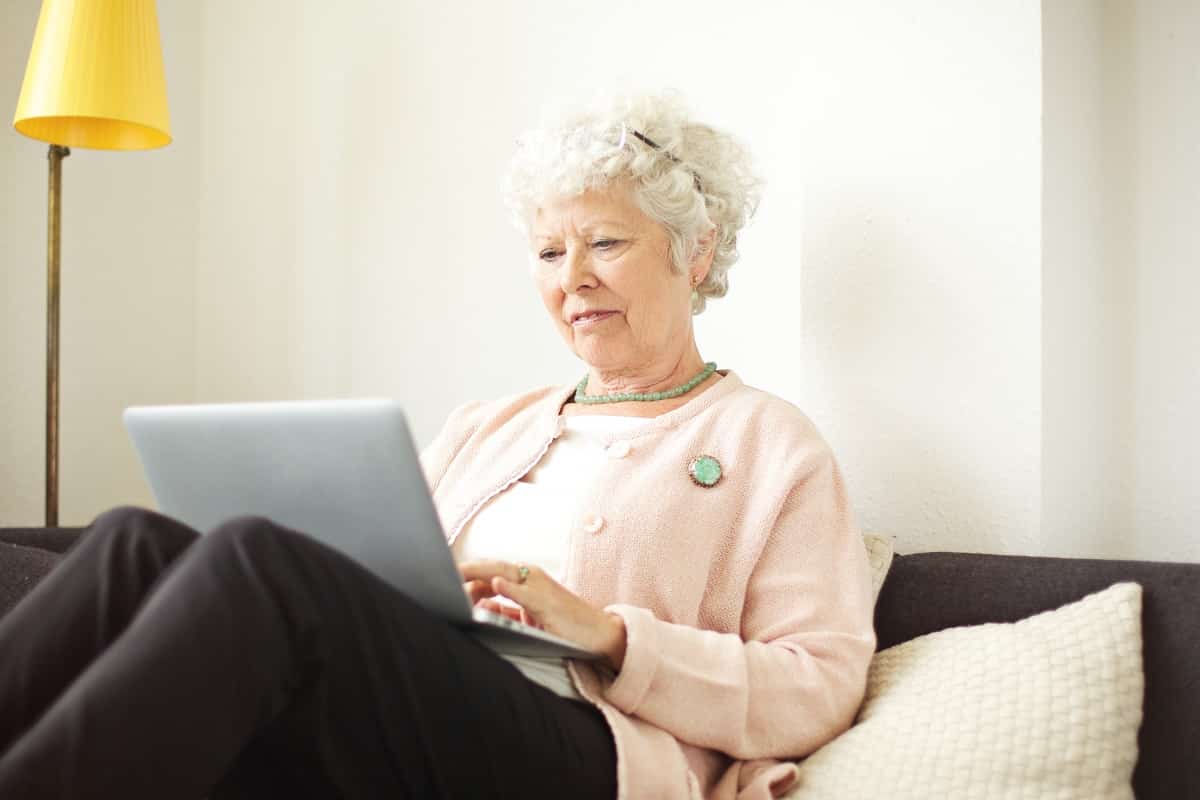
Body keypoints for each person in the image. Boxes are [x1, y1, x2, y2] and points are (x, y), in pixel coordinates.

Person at [0, 91, 876, 800]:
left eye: (605, 243)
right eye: (547, 251)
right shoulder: (489, 426)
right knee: (132, 541)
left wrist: (611, 636)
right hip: (430, 695)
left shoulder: (771, 443)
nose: (571, 279)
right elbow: (372, 588)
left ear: (696, 251)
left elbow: (821, 684)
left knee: (256, 559)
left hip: (592, 749)